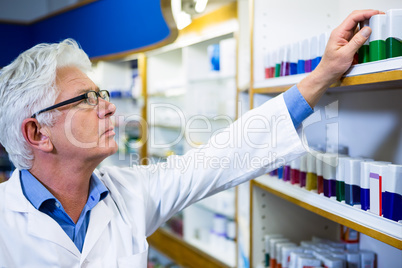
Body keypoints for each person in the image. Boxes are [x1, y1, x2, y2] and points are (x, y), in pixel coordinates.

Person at [0, 10, 381, 268]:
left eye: (104, 94)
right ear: (37, 133)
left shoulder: (128, 193)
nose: (109, 108)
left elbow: (222, 156)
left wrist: (322, 75)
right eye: (87, 99)